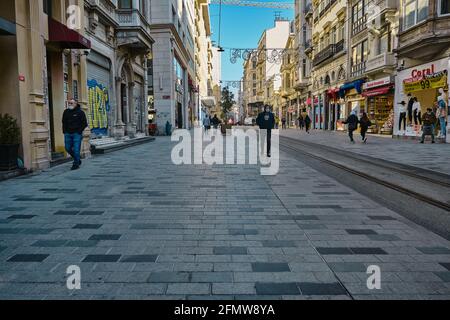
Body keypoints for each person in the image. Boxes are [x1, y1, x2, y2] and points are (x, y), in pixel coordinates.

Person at [62, 99, 88, 171]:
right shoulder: (66, 112)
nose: (70, 104)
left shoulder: (80, 112)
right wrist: (64, 131)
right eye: (69, 103)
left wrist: (79, 131)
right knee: (67, 148)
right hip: (68, 133)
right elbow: (63, 122)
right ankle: (77, 159)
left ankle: (75, 164)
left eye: (71, 103)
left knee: (76, 150)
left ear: (76, 104)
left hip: (77, 134)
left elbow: (84, 123)